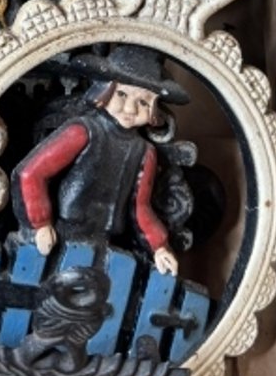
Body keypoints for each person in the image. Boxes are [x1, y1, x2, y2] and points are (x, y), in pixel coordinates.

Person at [12, 45, 190, 277]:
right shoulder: (82, 131)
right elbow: (31, 172)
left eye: (143, 102)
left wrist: (159, 246)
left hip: (104, 241)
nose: (130, 108)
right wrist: (41, 224)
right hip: (63, 233)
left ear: (154, 110)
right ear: (104, 92)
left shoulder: (144, 152)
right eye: (122, 95)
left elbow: (140, 207)